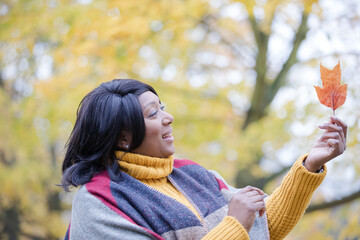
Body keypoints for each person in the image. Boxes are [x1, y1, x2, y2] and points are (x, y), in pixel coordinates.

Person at [62, 79, 347, 240]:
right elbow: (239, 226)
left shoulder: (193, 175)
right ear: (123, 138)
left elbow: (262, 227)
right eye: (152, 114)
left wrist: (310, 165)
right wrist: (234, 225)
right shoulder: (99, 203)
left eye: (161, 107)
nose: (167, 117)